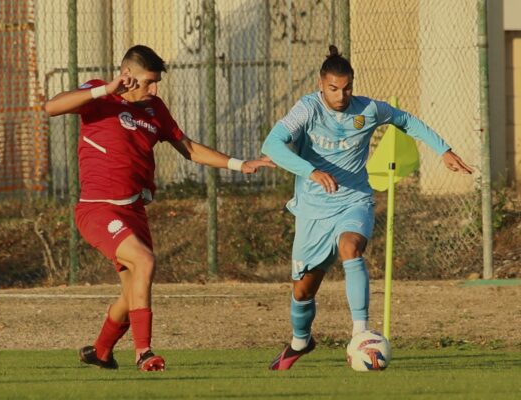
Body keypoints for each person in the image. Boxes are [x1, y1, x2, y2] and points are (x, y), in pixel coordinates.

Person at [44, 45, 275, 372]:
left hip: (134, 211)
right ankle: (143, 351)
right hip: (98, 210)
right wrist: (105, 89)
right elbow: (51, 107)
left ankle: (102, 351)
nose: (153, 89)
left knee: (132, 291)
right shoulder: (101, 96)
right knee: (144, 260)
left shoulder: (154, 109)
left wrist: (240, 164)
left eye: (156, 83)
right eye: (148, 82)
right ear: (127, 76)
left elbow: (190, 148)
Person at [261, 45, 473, 370]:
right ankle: (301, 341)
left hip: (354, 200)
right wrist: (312, 171)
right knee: (303, 291)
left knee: (351, 248)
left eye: (347, 88)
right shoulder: (307, 110)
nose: (341, 95)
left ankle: (360, 333)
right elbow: (272, 145)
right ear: (321, 84)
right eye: (333, 89)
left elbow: (406, 120)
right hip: (313, 210)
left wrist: (443, 150)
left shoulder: (368, 110)